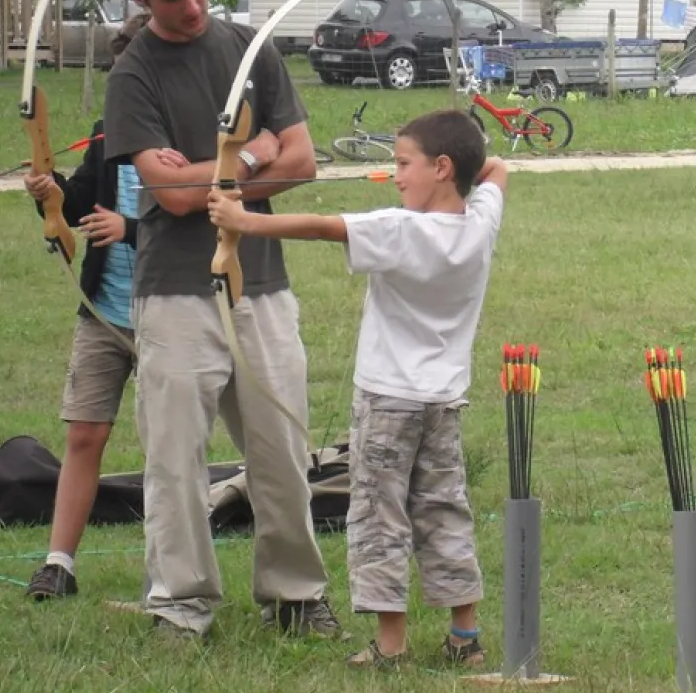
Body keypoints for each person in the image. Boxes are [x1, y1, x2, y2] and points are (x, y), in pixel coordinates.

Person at [207, 110, 507, 670]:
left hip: (388, 402)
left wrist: (241, 219)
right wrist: (466, 169)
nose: (395, 176)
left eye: (403, 164)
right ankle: (465, 637)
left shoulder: (401, 228)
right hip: (443, 402)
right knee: (444, 509)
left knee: (379, 515)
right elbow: (498, 169)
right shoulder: (480, 221)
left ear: (441, 167)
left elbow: (323, 225)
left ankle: (390, 646)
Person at [101, 0, 337, 641]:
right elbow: (171, 197)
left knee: (283, 448)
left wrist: (229, 169)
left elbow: (304, 161)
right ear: (146, 0)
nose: (195, 4)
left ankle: (296, 596)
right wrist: (254, 152)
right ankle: (180, 605)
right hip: (174, 292)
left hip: (260, 283)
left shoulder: (248, 50)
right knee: (175, 458)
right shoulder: (134, 73)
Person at [22, 11, 179, 601]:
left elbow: (204, 226)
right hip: (105, 312)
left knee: (168, 446)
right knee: (85, 434)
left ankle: (167, 573)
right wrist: (51, 191)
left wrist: (131, 228)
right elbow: (80, 201)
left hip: (171, 311)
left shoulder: (194, 137)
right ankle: (58, 564)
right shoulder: (109, 132)